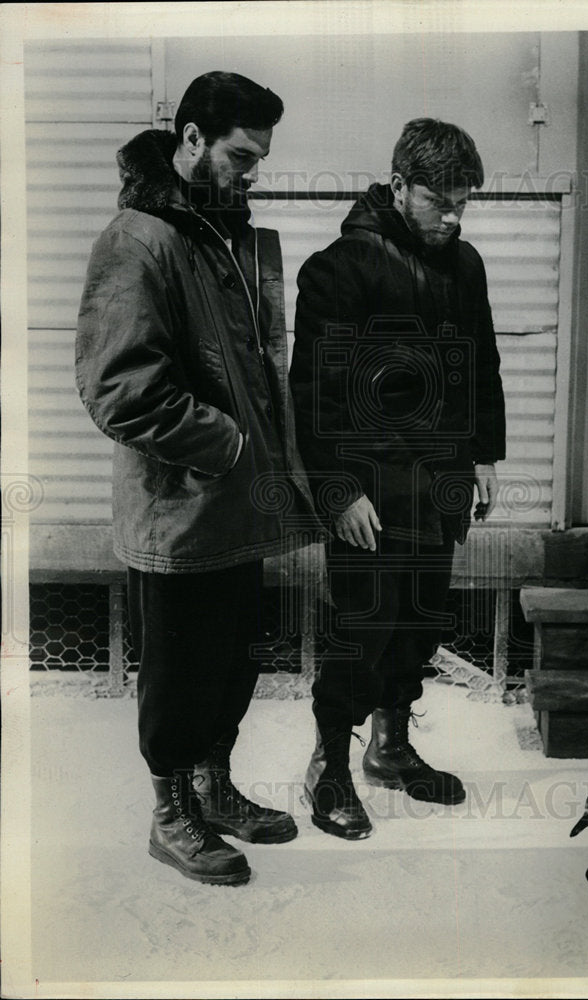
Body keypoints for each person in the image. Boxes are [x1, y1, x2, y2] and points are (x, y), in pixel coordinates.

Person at [76, 72, 323, 885]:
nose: (252, 171)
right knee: (180, 672)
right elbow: (120, 390)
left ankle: (214, 788)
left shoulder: (223, 232)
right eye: (241, 155)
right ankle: (169, 811)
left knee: (234, 658)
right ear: (190, 140)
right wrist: (224, 443)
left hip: (238, 506)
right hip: (179, 508)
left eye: (259, 157)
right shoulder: (140, 238)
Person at [290, 118, 506, 840]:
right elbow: (314, 391)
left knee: (419, 622)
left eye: (463, 203)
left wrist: (484, 454)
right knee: (365, 627)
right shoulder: (340, 267)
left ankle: (391, 747)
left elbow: (481, 363)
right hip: (370, 491)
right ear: (397, 185)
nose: (452, 216)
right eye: (439, 200)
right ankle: (330, 766)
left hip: (439, 482)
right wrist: (337, 489)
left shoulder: (465, 265)